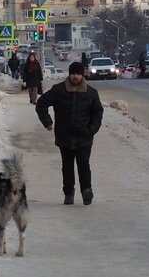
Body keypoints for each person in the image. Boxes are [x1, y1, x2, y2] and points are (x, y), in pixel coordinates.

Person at [36, 62, 104, 205]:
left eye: (78, 74)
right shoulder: (58, 90)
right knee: (67, 166)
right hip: (64, 136)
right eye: (73, 74)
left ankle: (87, 191)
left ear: (82, 75)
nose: (75, 77)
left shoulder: (91, 93)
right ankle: (68, 193)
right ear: (69, 74)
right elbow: (41, 103)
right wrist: (47, 122)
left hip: (84, 136)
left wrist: (92, 129)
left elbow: (98, 112)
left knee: (83, 165)